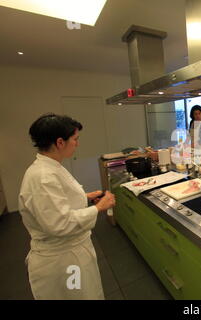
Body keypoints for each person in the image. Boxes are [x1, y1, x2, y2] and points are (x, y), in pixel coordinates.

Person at [18, 113, 116, 300]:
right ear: (60, 142)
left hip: (70, 254)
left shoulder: (51, 167)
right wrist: (98, 208)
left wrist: (85, 197)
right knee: (79, 295)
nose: (77, 144)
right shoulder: (43, 177)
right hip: (64, 261)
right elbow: (59, 224)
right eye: (75, 139)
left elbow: (57, 202)